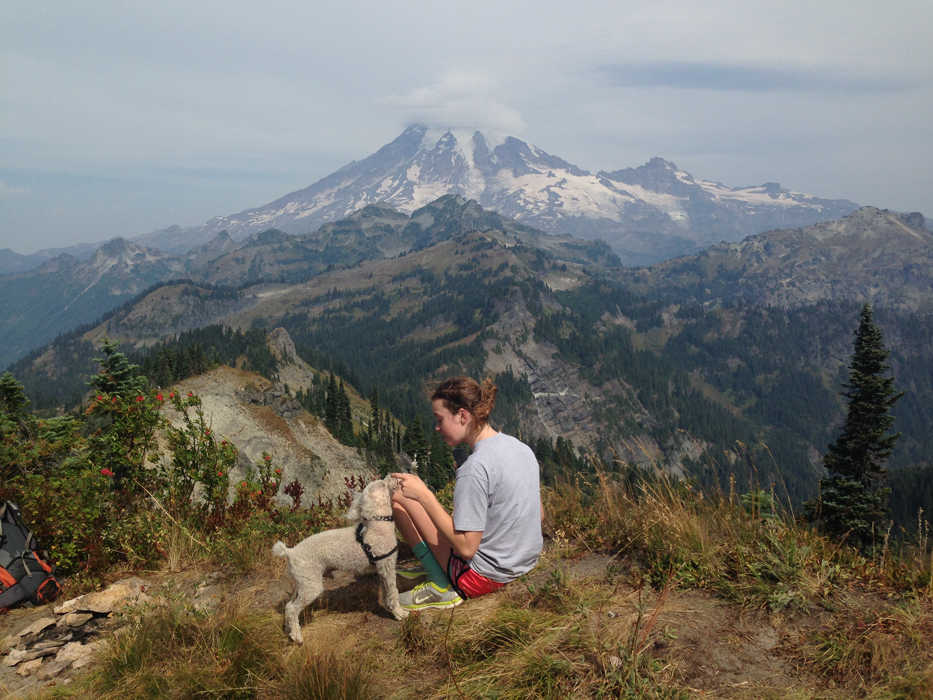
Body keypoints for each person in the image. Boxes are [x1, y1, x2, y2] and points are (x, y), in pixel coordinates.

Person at [391, 376, 543, 610]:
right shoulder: (520, 448)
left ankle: (441, 585)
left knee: (399, 499)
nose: (437, 427)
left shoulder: (474, 468)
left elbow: (466, 548)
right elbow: (539, 514)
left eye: (440, 419)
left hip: (482, 578)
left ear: (462, 416)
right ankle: (437, 566)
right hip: (526, 562)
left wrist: (425, 496)